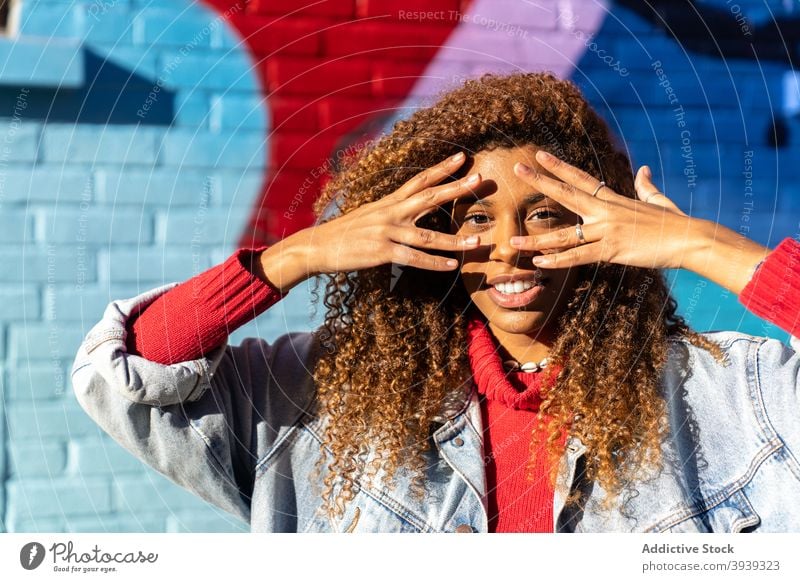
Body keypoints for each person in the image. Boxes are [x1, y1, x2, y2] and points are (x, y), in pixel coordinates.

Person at [71, 72, 800, 533]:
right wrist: (300, 254)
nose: (510, 247)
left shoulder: (733, 395)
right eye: (476, 219)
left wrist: (698, 245)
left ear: (603, 226)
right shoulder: (328, 398)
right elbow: (131, 375)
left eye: (546, 214)